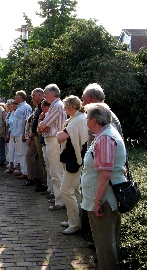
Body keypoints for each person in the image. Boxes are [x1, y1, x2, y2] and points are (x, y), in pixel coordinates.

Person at [81, 103, 126, 270]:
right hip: (105, 197)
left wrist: (97, 201)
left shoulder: (106, 138)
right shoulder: (104, 135)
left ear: (93, 120)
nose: (85, 120)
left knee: (104, 244)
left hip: (105, 199)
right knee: (107, 242)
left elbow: (105, 174)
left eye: (87, 117)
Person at [56, 95, 88, 235]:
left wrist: (60, 134)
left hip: (74, 160)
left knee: (66, 191)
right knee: (75, 191)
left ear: (70, 107)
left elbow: (61, 136)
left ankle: (75, 224)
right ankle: (77, 220)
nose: (65, 110)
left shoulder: (76, 120)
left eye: (66, 107)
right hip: (73, 158)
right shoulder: (78, 118)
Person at [38, 84, 67, 210]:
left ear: (53, 94)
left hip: (54, 140)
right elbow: (43, 126)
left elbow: (43, 125)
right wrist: (42, 125)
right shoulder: (55, 106)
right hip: (53, 139)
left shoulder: (56, 106)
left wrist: (42, 125)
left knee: (56, 171)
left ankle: (60, 201)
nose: (44, 96)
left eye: (46, 93)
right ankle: (58, 197)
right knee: (55, 170)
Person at [29, 88, 47, 192]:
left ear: (40, 95)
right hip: (35, 135)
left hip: (40, 135)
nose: (32, 98)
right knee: (38, 159)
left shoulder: (44, 106)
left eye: (34, 96)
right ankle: (39, 179)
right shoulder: (38, 107)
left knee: (43, 160)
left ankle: (44, 183)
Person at [12, 90, 32, 180]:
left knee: (23, 153)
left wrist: (25, 134)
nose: (15, 97)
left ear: (20, 97)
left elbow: (27, 121)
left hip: (22, 134)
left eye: (16, 96)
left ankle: (26, 172)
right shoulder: (19, 107)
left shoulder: (26, 107)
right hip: (17, 134)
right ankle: (22, 170)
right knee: (20, 153)